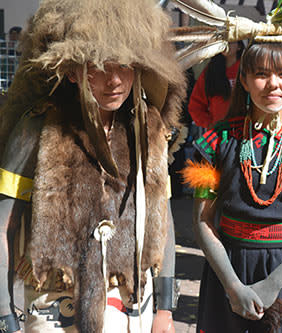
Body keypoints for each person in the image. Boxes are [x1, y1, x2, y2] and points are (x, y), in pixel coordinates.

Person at [0, 0, 186, 332]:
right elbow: (2, 228)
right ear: (73, 70)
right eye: (100, 66)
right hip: (54, 307)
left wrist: (165, 309)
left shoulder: (150, 129)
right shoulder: (37, 128)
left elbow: (164, 219)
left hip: (132, 305)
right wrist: (3, 314)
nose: (114, 80)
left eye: (125, 65)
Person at [182, 39, 282, 332]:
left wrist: (274, 283)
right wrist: (233, 287)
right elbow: (202, 221)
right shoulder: (217, 139)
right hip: (229, 272)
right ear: (243, 80)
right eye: (261, 74)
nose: (273, 84)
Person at [188, 42, 243, 129]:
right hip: (220, 134)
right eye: (223, 42)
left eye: (230, 42)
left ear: (239, 46)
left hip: (245, 131)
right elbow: (195, 106)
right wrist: (209, 124)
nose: (226, 45)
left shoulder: (246, 69)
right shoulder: (210, 71)